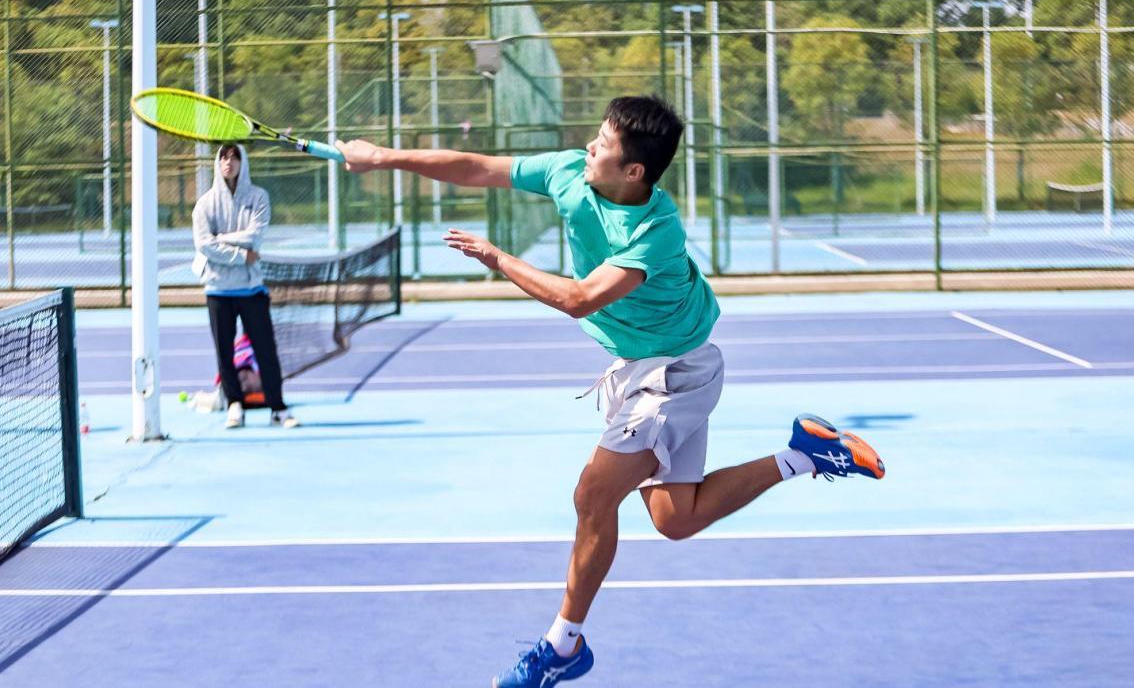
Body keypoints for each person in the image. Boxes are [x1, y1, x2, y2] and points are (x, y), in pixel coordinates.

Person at [335, 96, 886, 687]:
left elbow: (579, 300)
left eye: (602, 145)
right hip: (646, 368)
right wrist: (382, 157)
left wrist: (496, 258)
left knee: (593, 495)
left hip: (675, 375)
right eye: (596, 136)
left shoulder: (654, 232)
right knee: (676, 519)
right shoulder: (569, 171)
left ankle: (563, 645)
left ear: (634, 171)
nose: (589, 148)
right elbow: (477, 166)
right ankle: (807, 454)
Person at [192, 143, 298, 430]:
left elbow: (256, 235)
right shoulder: (205, 204)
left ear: (242, 162)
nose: (229, 162)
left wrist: (220, 239)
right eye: (224, 157)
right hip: (217, 290)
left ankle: (277, 408)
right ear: (218, 163)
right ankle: (234, 405)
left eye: (234, 157)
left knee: (266, 351)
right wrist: (241, 255)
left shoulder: (258, 197)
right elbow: (203, 244)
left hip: (252, 290)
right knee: (224, 353)